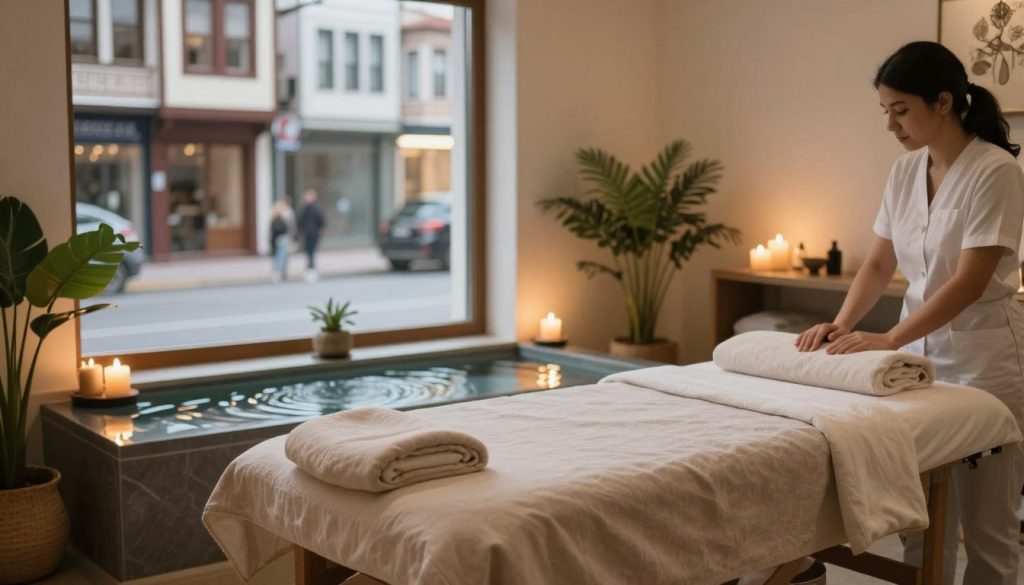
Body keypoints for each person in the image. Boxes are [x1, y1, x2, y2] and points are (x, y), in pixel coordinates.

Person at [796, 41, 1024, 585]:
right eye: (885, 112)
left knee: (987, 526)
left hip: (982, 361)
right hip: (914, 366)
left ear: (943, 102)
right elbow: (879, 263)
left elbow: (969, 283)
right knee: (921, 523)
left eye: (901, 110)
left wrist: (890, 338)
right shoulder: (904, 172)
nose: (891, 125)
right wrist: (845, 324)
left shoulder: (995, 172)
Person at [297, 188, 326, 282]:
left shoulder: (316, 209)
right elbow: (300, 221)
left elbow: (321, 221)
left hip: (313, 234)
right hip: (307, 234)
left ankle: (312, 270)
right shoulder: (305, 209)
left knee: (311, 252)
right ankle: (310, 269)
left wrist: (320, 230)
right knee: (308, 252)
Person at [269, 196, 297, 283]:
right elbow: (290, 227)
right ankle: (279, 272)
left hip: (278, 238)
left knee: (280, 255)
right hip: (283, 238)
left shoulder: (274, 216)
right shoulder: (286, 215)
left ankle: (279, 272)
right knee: (282, 255)